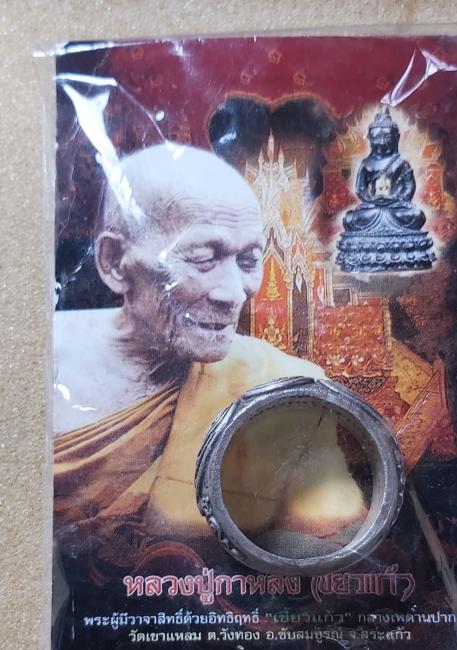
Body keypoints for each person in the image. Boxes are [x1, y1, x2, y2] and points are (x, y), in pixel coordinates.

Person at [53, 144, 366, 580]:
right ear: (114, 263)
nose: (234, 293)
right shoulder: (37, 363)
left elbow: (331, 550)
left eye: (248, 261)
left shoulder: (280, 388)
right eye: (202, 259)